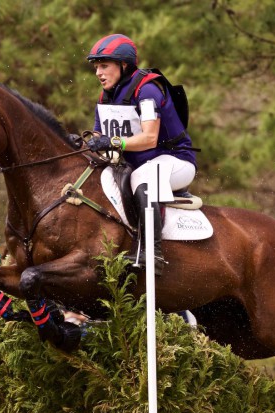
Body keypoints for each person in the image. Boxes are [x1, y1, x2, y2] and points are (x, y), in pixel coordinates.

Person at [85, 34, 197, 274]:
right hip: (140, 164)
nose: (98, 72)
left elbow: (149, 138)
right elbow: (98, 134)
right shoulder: (105, 95)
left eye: (104, 65)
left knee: (142, 178)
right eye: (96, 67)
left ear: (123, 65)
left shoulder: (147, 90)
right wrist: (85, 143)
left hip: (176, 160)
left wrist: (112, 142)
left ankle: (152, 253)